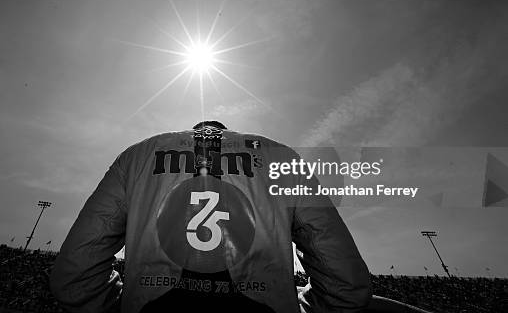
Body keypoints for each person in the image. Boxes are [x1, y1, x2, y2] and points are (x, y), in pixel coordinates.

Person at [50, 121, 371, 312]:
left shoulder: (138, 155)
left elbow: (74, 275)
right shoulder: (281, 156)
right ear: (226, 131)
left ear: (194, 130)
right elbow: (345, 280)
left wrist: (125, 305)